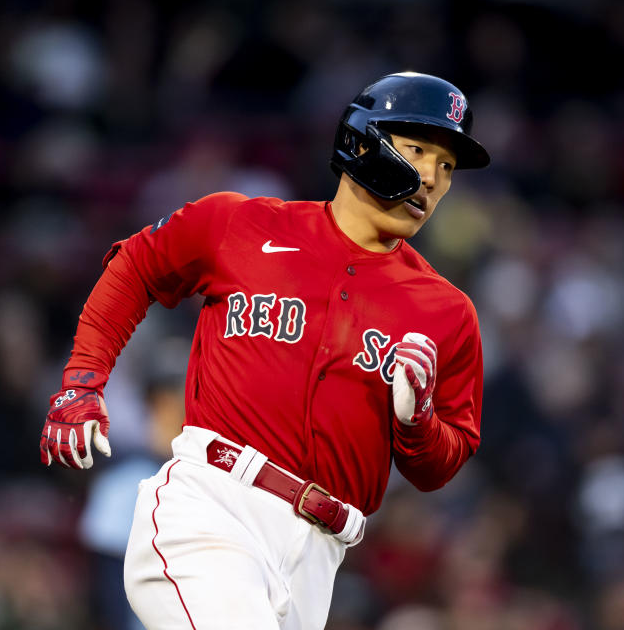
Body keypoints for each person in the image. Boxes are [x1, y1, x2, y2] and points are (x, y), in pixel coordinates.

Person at [38, 71, 489, 630]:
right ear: (362, 140)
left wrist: (418, 423)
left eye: (447, 167)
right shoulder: (244, 225)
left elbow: (442, 463)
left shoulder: (445, 311)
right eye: (418, 149)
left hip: (320, 555)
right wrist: (83, 381)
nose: (430, 177)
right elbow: (135, 266)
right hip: (213, 510)